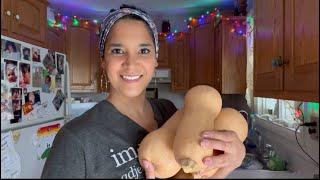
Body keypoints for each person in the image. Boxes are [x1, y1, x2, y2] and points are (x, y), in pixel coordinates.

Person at [41, 4, 245, 179]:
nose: (131, 63)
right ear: (103, 61)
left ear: (155, 59)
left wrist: (229, 162)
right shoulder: (75, 139)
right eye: (118, 51)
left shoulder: (169, 112)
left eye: (144, 50)